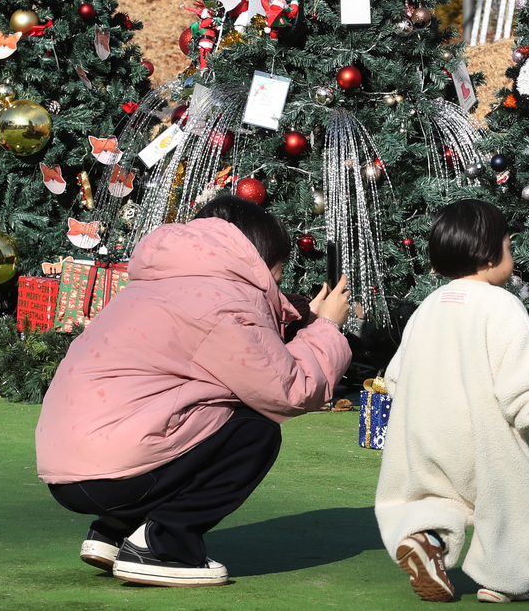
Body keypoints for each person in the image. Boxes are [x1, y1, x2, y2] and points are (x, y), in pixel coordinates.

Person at [35, 194, 353, 587]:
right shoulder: (223, 304)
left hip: (72, 467)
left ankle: (117, 530)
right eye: (278, 271)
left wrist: (303, 317)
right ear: (256, 260)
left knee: (204, 412)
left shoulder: (166, 282)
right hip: (115, 470)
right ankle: (163, 546)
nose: (278, 282)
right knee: (254, 431)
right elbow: (289, 390)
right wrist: (328, 328)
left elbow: (242, 345)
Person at [375, 199, 529, 603]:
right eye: (509, 248)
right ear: (490, 254)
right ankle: (502, 579)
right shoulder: (502, 306)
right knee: (513, 498)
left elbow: (395, 375)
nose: (510, 257)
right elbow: (519, 371)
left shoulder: (428, 308)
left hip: (427, 431)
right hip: (484, 432)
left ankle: (428, 541)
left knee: (438, 498)